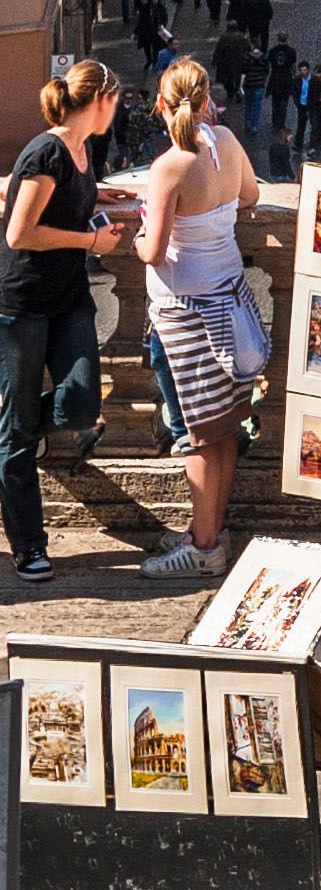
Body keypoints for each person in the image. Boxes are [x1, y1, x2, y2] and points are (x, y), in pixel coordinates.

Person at [137, 60, 265, 580]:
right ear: (207, 98)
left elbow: (153, 251)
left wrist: (136, 235)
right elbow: (251, 195)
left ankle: (205, 546)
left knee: (196, 435)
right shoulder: (228, 142)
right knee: (224, 429)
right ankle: (208, 529)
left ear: (162, 106)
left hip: (187, 317)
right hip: (230, 301)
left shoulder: (170, 165)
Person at [0, 63, 127, 579]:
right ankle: (29, 546)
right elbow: (20, 233)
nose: (116, 110)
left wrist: (96, 195)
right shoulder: (47, 150)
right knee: (17, 432)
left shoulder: (82, 148)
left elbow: (62, 199)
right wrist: (91, 242)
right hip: (24, 303)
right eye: (115, 101)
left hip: (68, 296)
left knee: (80, 402)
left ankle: (17, 433)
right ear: (100, 99)